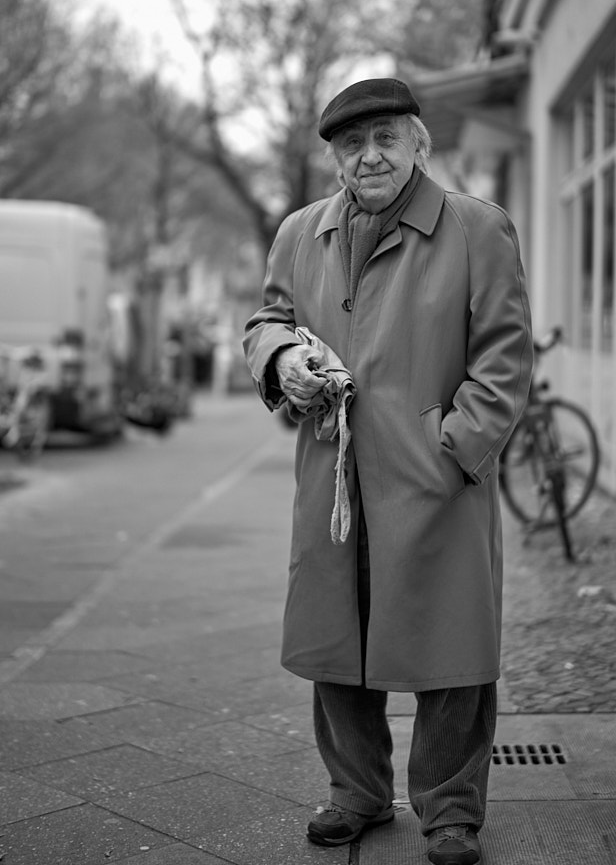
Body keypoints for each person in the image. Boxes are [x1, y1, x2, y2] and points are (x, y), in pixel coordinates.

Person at [243, 77, 533, 865]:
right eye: (350, 144)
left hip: (433, 474)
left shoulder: (477, 229)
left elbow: (506, 361)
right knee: (338, 642)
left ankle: (449, 812)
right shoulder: (301, 232)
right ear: (335, 155)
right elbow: (269, 317)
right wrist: (282, 361)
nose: (367, 156)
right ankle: (358, 793)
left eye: (385, 139)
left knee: (452, 652)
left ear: (418, 145)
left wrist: (456, 446)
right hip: (335, 474)